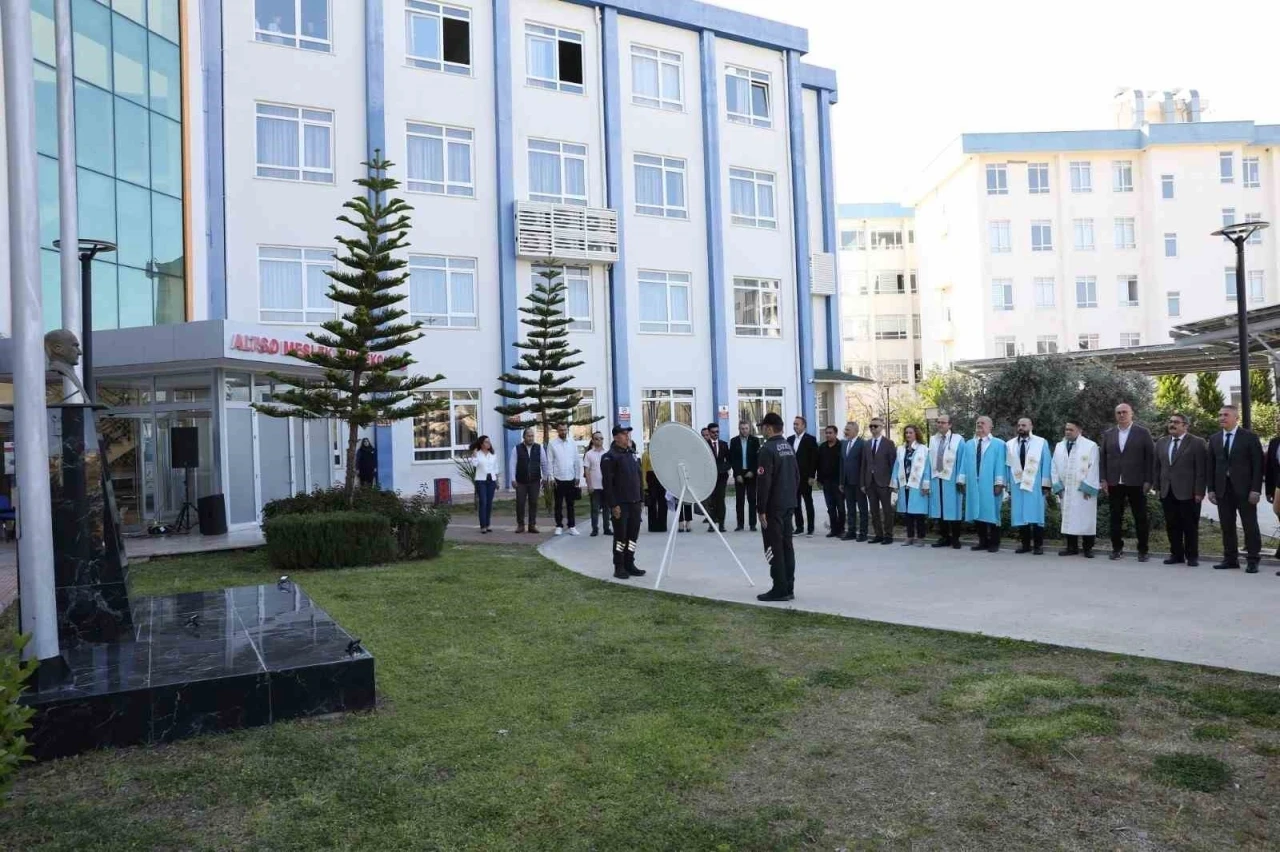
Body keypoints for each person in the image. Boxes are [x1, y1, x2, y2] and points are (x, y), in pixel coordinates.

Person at [1206, 405, 1264, 572]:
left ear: (1236, 418)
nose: (1221, 418)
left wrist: (1256, 489)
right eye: (1220, 415)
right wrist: (1211, 489)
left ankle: (1253, 559)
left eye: (1226, 415)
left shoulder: (1250, 437)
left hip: (1245, 490)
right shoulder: (1214, 438)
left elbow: (1258, 465)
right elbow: (1211, 466)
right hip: (1223, 490)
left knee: (1250, 525)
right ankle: (1230, 559)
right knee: (1227, 525)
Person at [1099, 402, 1156, 562]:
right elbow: (1102, 458)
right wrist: (1103, 479)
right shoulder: (1109, 434)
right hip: (1114, 482)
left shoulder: (1143, 433)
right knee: (1115, 517)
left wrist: (1149, 480)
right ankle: (1117, 549)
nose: (1122, 415)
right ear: (1115, 415)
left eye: (1125, 412)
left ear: (1131, 414)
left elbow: (1150, 458)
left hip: (1137, 482)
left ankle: (1143, 550)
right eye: (1119, 413)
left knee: (1140, 518)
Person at [1154, 412, 1207, 567]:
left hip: (1189, 492)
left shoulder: (1197, 442)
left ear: (1185, 425)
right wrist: (1157, 487)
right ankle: (1176, 554)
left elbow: (1201, 470)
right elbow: (1157, 467)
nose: (1172, 424)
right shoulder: (1162, 442)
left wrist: (1199, 491)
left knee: (1190, 525)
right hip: (1167, 491)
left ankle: (1192, 556)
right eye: (1170, 421)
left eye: (1176, 422)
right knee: (1172, 525)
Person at [756, 412, 799, 602]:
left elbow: (764, 481)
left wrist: (761, 508)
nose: (762, 431)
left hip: (773, 506)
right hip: (788, 503)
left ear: (769, 428)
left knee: (775, 546)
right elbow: (796, 475)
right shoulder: (788, 447)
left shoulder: (767, 449)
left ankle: (779, 588)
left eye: (763, 427)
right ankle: (789, 586)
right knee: (787, 545)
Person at [601, 425, 645, 580]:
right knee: (621, 537)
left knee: (633, 537)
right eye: (624, 434)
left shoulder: (632, 454)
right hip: (621, 504)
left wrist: (641, 499)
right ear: (616, 437)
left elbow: (639, 478)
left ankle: (630, 563)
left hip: (635, 503)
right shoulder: (609, 457)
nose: (627, 436)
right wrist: (613, 505)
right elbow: (607, 484)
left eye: (628, 434)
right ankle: (619, 566)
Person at [1052, 420, 1100, 558]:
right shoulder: (1059, 446)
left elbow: (1094, 467)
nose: (1067, 432)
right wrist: (1057, 486)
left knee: (1086, 519)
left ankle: (1088, 548)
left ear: (1079, 431)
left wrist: (1088, 488)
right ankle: (1071, 547)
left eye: (1071, 430)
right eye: (1066, 429)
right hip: (1066, 489)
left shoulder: (1090, 446)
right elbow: (1054, 466)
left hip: (1083, 490)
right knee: (1068, 519)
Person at [959, 416, 1006, 553]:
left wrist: (999, 483)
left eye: (983, 423)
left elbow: (1001, 464)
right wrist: (962, 480)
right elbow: (963, 463)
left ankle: (994, 543)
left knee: (992, 512)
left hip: (990, 483)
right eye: (977, 423)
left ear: (990, 426)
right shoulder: (969, 444)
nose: (979, 425)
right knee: (977, 511)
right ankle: (982, 541)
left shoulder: (998, 444)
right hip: (973, 482)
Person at [1007, 417, 1052, 555]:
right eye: (1019, 425)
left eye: (1024, 425)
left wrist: (1046, 485)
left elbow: (1046, 463)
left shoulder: (1040, 442)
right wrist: (1008, 485)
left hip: (1035, 484)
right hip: (1017, 484)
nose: (1021, 428)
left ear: (1031, 426)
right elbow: (1008, 466)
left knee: (1037, 515)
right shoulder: (1010, 444)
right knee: (1020, 515)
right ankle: (1025, 545)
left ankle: (1038, 545)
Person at [927, 413, 966, 548]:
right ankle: (944, 537)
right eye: (938, 422)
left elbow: (962, 460)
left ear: (950, 425)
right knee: (940, 510)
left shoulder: (958, 439)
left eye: (943, 422)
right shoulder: (933, 439)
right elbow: (929, 460)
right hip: (936, 479)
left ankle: (955, 538)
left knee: (953, 508)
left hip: (952, 479)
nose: (940, 425)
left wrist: (961, 478)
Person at [891, 425, 931, 546]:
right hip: (904, 483)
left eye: (910, 432)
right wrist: (894, 483)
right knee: (907, 513)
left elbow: (927, 468)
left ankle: (921, 538)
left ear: (916, 434)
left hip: (917, 485)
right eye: (906, 433)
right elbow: (896, 466)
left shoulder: (923, 449)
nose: (908, 435)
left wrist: (926, 485)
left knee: (919, 513)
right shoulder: (901, 449)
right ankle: (909, 537)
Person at [861, 417, 897, 544]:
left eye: (875, 426)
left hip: (884, 482)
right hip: (870, 483)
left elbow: (893, 465)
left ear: (881, 427)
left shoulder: (889, 443)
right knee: (874, 511)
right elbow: (864, 465)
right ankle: (878, 535)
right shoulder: (867, 444)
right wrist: (863, 483)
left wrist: (893, 482)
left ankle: (888, 535)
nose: (872, 428)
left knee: (887, 511)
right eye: (871, 426)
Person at [547, 423, 583, 536]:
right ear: (557, 431)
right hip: (558, 478)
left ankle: (572, 526)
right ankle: (559, 526)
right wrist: (551, 477)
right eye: (561, 430)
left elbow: (576, 460)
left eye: (565, 430)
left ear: (567, 430)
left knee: (570, 504)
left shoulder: (572, 443)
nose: (563, 432)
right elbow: (549, 461)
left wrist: (578, 476)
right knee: (558, 504)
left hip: (571, 477)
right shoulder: (552, 444)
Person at [508, 427, 546, 534]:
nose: (531, 438)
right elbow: (512, 464)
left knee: (533, 502)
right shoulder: (517, 448)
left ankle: (532, 525)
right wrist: (513, 479)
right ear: (524, 437)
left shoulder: (539, 448)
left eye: (532, 436)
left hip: (535, 480)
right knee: (520, 503)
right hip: (521, 481)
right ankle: (520, 525)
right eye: (528, 436)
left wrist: (545, 477)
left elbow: (544, 463)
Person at [788, 415, 819, 536]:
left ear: (804, 426)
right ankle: (799, 527)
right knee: (795, 503)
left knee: (808, 502)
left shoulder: (810, 439)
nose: (795, 426)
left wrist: (812, 475)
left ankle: (810, 528)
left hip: (806, 477)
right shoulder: (790, 439)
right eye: (794, 424)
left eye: (797, 424)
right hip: (793, 477)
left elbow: (814, 459)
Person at [729, 421, 760, 531]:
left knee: (752, 499)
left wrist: (753, 471)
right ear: (739, 429)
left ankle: (752, 524)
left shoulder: (755, 440)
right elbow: (732, 459)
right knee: (739, 500)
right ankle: (740, 524)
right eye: (742, 428)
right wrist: (737, 474)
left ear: (749, 429)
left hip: (751, 473)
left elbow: (757, 458)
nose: (744, 430)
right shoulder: (734, 441)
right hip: (739, 473)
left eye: (746, 428)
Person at [839, 421, 867, 541]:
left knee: (862, 509)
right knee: (850, 508)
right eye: (845, 429)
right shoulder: (844, 443)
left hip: (858, 483)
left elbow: (865, 465)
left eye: (848, 430)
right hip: (847, 482)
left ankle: (863, 533)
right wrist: (841, 482)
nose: (845, 432)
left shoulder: (862, 444)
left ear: (856, 431)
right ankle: (851, 531)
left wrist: (863, 483)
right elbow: (842, 463)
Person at [815, 426, 845, 537]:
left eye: (830, 433)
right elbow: (818, 464)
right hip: (826, 482)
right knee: (830, 507)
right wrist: (819, 479)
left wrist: (842, 481)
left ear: (836, 434)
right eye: (826, 433)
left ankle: (841, 529)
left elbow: (844, 464)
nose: (827, 435)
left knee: (840, 507)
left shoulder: (841, 446)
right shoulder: (822, 447)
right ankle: (833, 529)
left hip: (838, 482)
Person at [583, 432, 612, 538]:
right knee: (595, 509)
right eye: (596, 438)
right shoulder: (589, 454)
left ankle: (606, 528)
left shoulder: (608, 453)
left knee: (606, 508)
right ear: (593, 440)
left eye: (601, 438)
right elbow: (587, 470)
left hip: (606, 486)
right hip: (594, 486)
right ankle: (594, 529)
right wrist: (589, 485)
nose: (599, 440)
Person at [470, 436, 500, 534]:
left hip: (491, 480)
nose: (489, 443)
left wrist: (497, 481)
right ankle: (483, 526)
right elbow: (474, 465)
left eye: (489, 441)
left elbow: (495, 469)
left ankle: (488, 524)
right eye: (486, 442)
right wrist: (474, 455)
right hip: (481, 480)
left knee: (489, 503)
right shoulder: (477, 454)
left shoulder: (493, 455)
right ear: (481, 444)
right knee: (483, 502)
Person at [706, 422, 730, 533]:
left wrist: (723, 469)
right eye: (713, 432)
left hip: (721, 477)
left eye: (717, 432)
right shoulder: (705, 445)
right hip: (709, 477)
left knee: (720, 499)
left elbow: (729, 460)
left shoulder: (723, 444)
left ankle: (721, 524)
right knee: (711, 500)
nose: (716, 434)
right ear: (709, 432)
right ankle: (711, 524)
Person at [641, 445, 667, 533]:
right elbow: (643, 470)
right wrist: (644, 484)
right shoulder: (646, 454)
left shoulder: (662, 454)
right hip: (651, 478)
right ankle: (652, 526)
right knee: (651, 503)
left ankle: (662, 525)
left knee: (663, 503)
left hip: (661, 478)